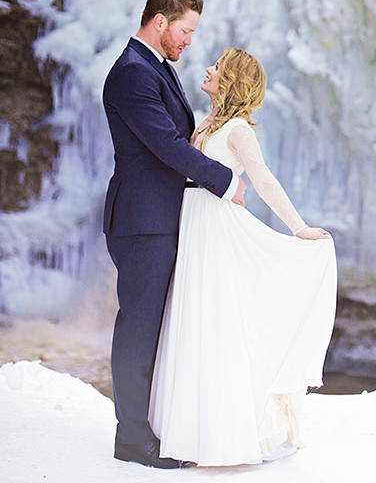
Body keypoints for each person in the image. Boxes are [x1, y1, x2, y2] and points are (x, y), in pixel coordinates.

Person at [149, 48, 338, 467]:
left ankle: (223, 435)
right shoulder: (206, 122)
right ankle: (190, 432)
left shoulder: (237, 130)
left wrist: (298, 227)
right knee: (195, 320)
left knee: (217, 323)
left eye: (217, 66)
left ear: (231, 79)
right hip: (195, 226)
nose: (208, 69)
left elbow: (263, 180)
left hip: (217, 231)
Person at [102, 0, 247, 469]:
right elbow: (166, 144)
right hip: (142, 221)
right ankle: (132, 439)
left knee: (156, 329)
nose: (189, 41)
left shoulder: (156, 68)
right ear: (160, 22)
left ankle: (150, 429)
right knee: (138, 330)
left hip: (161, 217)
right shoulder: (131, 73)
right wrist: (224, 180)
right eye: (185, 30)